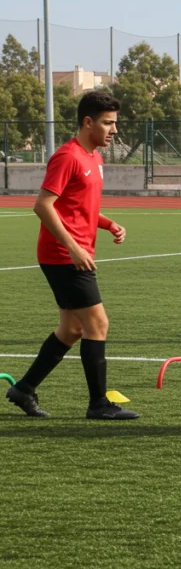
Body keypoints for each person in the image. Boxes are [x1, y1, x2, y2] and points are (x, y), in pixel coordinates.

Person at [6, 90, 137, 420]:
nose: (114, 130)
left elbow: (79, 207)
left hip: (74, 253)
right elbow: (42, 206)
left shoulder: (95, 157)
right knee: (98, 324)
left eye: (115, 123)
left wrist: (107, 224)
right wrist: (73, 247)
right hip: (63, 256)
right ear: (88, 122)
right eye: (108, 124)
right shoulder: (68, 156)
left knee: (71, 330)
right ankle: (98, 404)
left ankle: (23, 389)